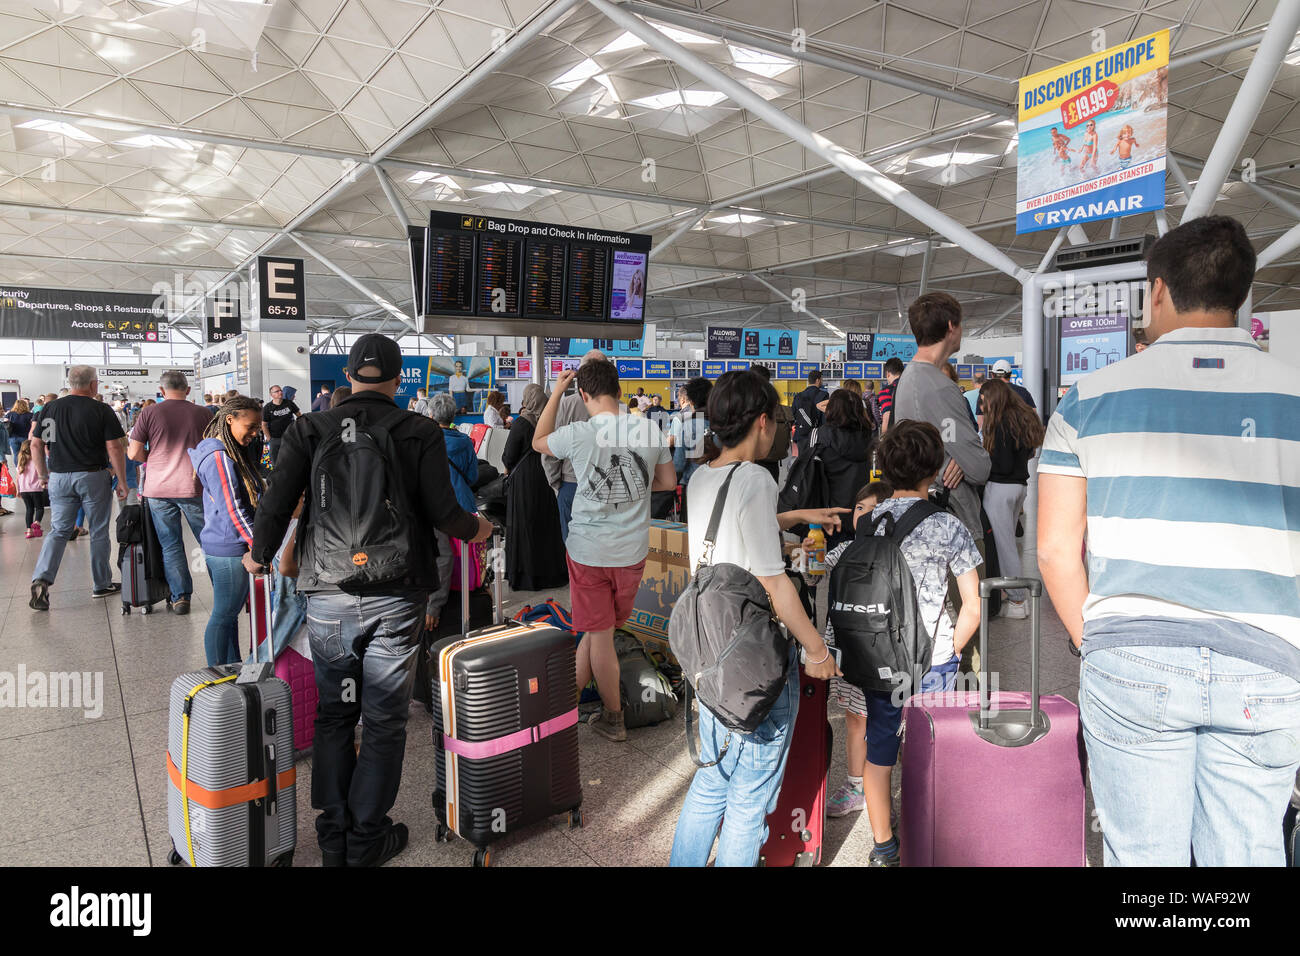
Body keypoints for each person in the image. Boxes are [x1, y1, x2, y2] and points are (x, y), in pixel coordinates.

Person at [1039, 215, 1300, 866]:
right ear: (1238, 295)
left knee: (1144, 865)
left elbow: (1053, 550)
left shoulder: (1087, 400)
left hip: (1131, 657)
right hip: (1268, 663)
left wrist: (1094, 637)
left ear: (1157, 292)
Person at [249, 334, 492, 868]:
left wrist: (259, 554)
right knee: (384, 719)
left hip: (329, 593)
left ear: (350, 375)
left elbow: (278, 499)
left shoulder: (308, 427)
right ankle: (367, 839)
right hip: (398, 594)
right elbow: (444, 514)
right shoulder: (419, 430)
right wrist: (479, 529)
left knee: (337, 714)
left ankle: (332, 836)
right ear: (398, 377)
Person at [669, 369, 842, 867]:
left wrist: (796, 516)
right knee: (748, 801)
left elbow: (732, 534)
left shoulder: (703, 475)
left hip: (709, 652)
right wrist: (816, 650)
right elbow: (774, 583)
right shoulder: (756, 478)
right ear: (763, 421)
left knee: (711, 784)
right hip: (752, 661)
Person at [823, 422, 981, 865]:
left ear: (885, 469)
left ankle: (884, 847)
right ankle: (928, 837)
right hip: (933, 662)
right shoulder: (948, 526)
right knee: (930, 752)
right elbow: (973, 604)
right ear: (934, 468)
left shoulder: (868, 520)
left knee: (880, 753)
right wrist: (952, 650)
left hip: (878, 658)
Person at [533, 360, 676, 742]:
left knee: (600, 636)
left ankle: (614, 719)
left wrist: (556, 392)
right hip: (631, 554)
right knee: (600, 633)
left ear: (583, 394)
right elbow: (668, 482)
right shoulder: (648, 428)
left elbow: (537, 440)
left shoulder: (578, 432)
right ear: (620, 389)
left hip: (588, 553)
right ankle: (566, 703)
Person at [891, 292, 990, 545]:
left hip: (921, 514)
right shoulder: (941, 387)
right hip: (954, 523)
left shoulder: (907, 379)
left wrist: (958, 454)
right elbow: (979, 468)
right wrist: (964, 457)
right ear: (951, 327)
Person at [27, 367, 129, 610]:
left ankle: (42, 577)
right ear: (93, 385)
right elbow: (114, 447)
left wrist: (43, 475)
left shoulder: (50, 408)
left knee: (59, 531)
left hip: (59, 477)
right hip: (92, 476)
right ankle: (101, 584)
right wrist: (122, 481)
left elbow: (35, 444)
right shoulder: (100, 409)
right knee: (99, 531)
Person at [127, 371, 214, 616]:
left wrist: (153, 460)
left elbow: (133, 453)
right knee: (209, 542)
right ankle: (225, 590)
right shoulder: (203, 413)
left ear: (162, 391)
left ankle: (180, 598)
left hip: (158, 489)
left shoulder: (150, 412)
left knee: (171, 545)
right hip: (194, 486)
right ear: (187, 390)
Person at [189, 396, 263, 664]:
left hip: (221, 544)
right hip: (228, 549)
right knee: (223, 616)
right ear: (230, 419)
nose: (254, 434)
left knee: (228, 616)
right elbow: (233, 509)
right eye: (251, 426)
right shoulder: (219, 456)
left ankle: (231, 669)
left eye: (258, 428)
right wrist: (258, 545)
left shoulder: (222, 452)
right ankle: (217, 675)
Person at [978, 378, 1043, 619]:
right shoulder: (1021, 418)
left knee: (1004, 546)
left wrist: (984, 460)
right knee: (1008, 545)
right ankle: (1012, 596)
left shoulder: (1001, 423)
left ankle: (1017, 602)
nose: (982, 406)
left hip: (1000, 488)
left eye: (984, 401)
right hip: (1019, 487)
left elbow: (1002, 465)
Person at [503, 383, 567, 591]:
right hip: (547, 477)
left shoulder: (521, 423)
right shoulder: (551, 421)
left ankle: (527, 577)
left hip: (524, 482)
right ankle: (551, 574)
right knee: (547, 526)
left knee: (525, 525)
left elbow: (509, 456)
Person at [426, 391, 478, 630]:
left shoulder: (423, 439)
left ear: (430, 414)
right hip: (461, 504)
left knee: (439, 554)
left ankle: (436, 603)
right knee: (462, 555)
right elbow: (473, 476)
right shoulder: (464, 441)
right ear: (454, 415)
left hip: (432, 505)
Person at [541, 348, 605, 540]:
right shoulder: (618, 406)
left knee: (573, 548)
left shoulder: (566, 404)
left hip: (572, 485)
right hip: (606, 486)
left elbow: (547, 450)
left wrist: (557, 484)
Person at [815, 390, 874, 550]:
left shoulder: (821, 436)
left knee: (825, 566)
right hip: (861, 515)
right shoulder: (869, 437)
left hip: (828, 515)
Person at [667, 377, 711, 513]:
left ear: (690, 400)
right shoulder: (721, 423)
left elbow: (679, 464)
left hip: (693, 484)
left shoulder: (689, 425)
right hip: (717, 485)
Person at [791, 369, 828, 458]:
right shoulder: (823, 395)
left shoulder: (798, 396)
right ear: (818, 380)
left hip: (801, 434)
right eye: (821, 380)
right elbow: (824, 418)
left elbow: (793, 414)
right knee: (816, 463)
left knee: (802, 461)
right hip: (817, 435)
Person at [261, 384, 300, 464]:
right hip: (275, 439)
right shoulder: (267, 408)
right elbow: (264, 425)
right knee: (276, 464)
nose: (280, 392)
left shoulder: (289, 403)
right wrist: (269, 439)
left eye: (281, 390)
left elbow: (300, 417)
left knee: (291, 461)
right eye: (277, 391)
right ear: (272, 395)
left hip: (290, 437)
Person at [16, 439, 47, 538]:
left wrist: (18, 490)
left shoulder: (21, 461)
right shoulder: (36, 461)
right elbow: (42, 473)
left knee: (29, 509)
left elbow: (17, 478)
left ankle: (29, 531)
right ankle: (37, 523)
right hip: (36, 489)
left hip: (24, 490)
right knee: (39, 508)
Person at [877, 357, 904, 432]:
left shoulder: (887, 391)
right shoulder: (911, 387)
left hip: (896, 435)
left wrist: (884, 440)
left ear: (888, 374)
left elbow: (887, 417)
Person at [4, 398, 33, 464]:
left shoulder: (10, 414)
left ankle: (18, 469)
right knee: (27, 454)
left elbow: (5, 424)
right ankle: (25, 469)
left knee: (16, 454)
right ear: (25, 405)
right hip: (25, 438)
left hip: (13, 437)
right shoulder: (30, 415)